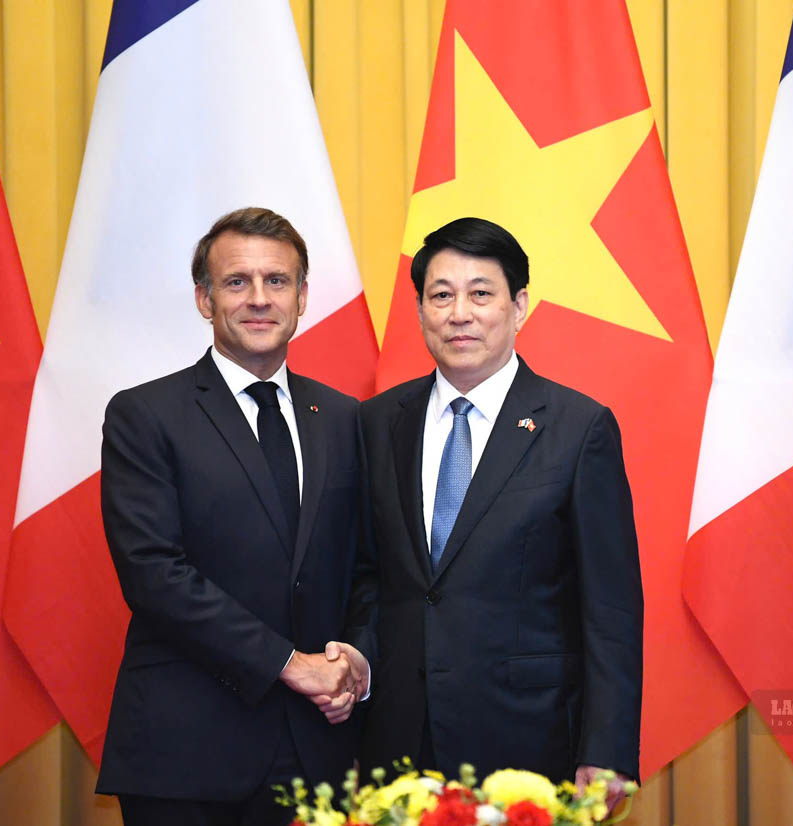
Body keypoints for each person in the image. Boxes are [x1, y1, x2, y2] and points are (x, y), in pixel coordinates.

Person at [342, 216, 643, 810]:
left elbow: (609, 606)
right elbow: (367, 576)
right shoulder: (376, 424)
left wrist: (606, 748)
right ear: (421, 309)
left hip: (530, 740)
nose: (460, 313)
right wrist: (359, 661)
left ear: (519, 305)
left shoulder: (579, 428)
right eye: (441, 295)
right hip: (398, 742)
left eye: (481, 293)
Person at [95, 207, 366, 826]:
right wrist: (289, 664)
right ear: (204, 298)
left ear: (302, 298)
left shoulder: (347, 418)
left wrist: (356, 661)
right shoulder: (145, 415)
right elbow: (154, 575)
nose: (259, 299)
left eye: (277, 281)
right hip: (186, 751)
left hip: (316, 751)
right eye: (236, 281)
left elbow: (369, 566)